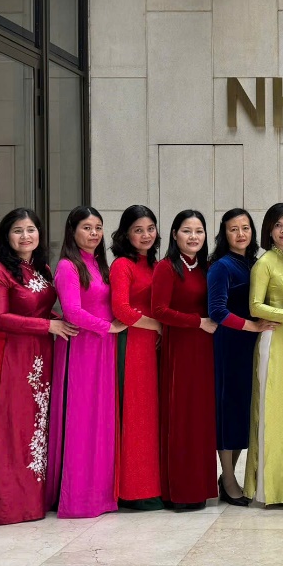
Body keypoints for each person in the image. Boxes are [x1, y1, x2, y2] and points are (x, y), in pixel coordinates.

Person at [0, 208, 71, 526]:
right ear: (6, 236)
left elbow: (44, 310)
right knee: (12, 426)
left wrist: (63, 321)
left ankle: (35, 501)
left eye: (31, 229)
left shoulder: (42, 268)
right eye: (18, 230)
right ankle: (11, 506)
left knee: (38, 427)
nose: (25, 236)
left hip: (41, 355)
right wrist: (47, 326)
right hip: (12, 355)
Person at [48, 207, 125, 518]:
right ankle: (79, 497)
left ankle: (100, 494)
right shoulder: (68, 266)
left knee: (101, 418)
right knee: (82, 418)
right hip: (81, 348)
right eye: (87, 227)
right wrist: (109, 327)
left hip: (103, 348)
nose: (94, 233)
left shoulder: (100, 264)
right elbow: (72, 312)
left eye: (98, 227)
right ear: (73, 231)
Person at [151, 210, 219, 510]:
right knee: (181, 416)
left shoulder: (206, 268)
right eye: (187, 231)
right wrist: (197, 322)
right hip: (179, 349)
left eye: (199, 231)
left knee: (201, 418)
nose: (193, 237)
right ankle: (179, 491)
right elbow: (159, 310)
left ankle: (200, 489)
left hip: (205, 349)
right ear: (174, 234)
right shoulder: (166, 268)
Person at [207, 209, 272, 505]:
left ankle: (229, 476)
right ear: (225, 233)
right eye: (234, 229)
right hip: (230, 344)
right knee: (229, 410)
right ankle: (229, 479)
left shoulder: (255, 263)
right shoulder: (221, 266)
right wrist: (252, 326)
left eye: (245, 228)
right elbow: (217, 311)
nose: (241, 234)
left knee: (245, 411)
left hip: (252, 346)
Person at [248, 203, 283, 505]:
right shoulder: (264, 263)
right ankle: (271, 488)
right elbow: (255, 306)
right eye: (278, 225)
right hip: (275, 339)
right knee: (274, 409)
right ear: (269, 230)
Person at [109, 206, 164, 509]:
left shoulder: (157, 265)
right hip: (133, 346)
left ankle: (155, 485)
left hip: (157, 347)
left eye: (150, 229)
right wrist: (157, 325)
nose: (145, 235)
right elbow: (122, 310)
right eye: (138, 230)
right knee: (136, 415)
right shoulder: (122, 265)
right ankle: (135, 490)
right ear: (126, 234)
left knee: (154, 416)